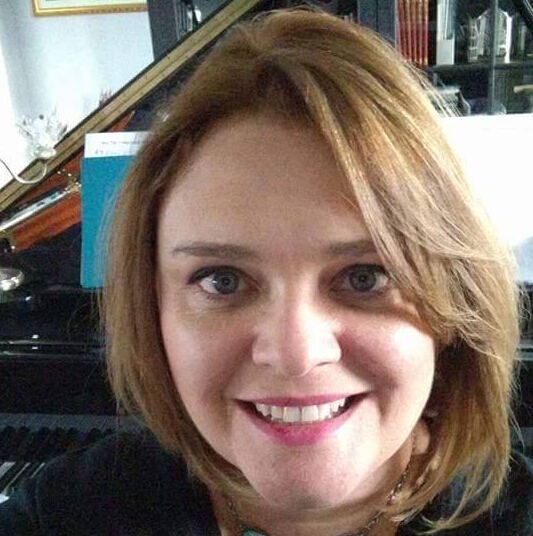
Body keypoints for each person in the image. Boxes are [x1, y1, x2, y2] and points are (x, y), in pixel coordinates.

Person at [1, 7, 532, 536]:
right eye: (222, 280)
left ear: (452, 308)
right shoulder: (64, 511)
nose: (296, 355)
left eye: (365, 277)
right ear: (152, 309)